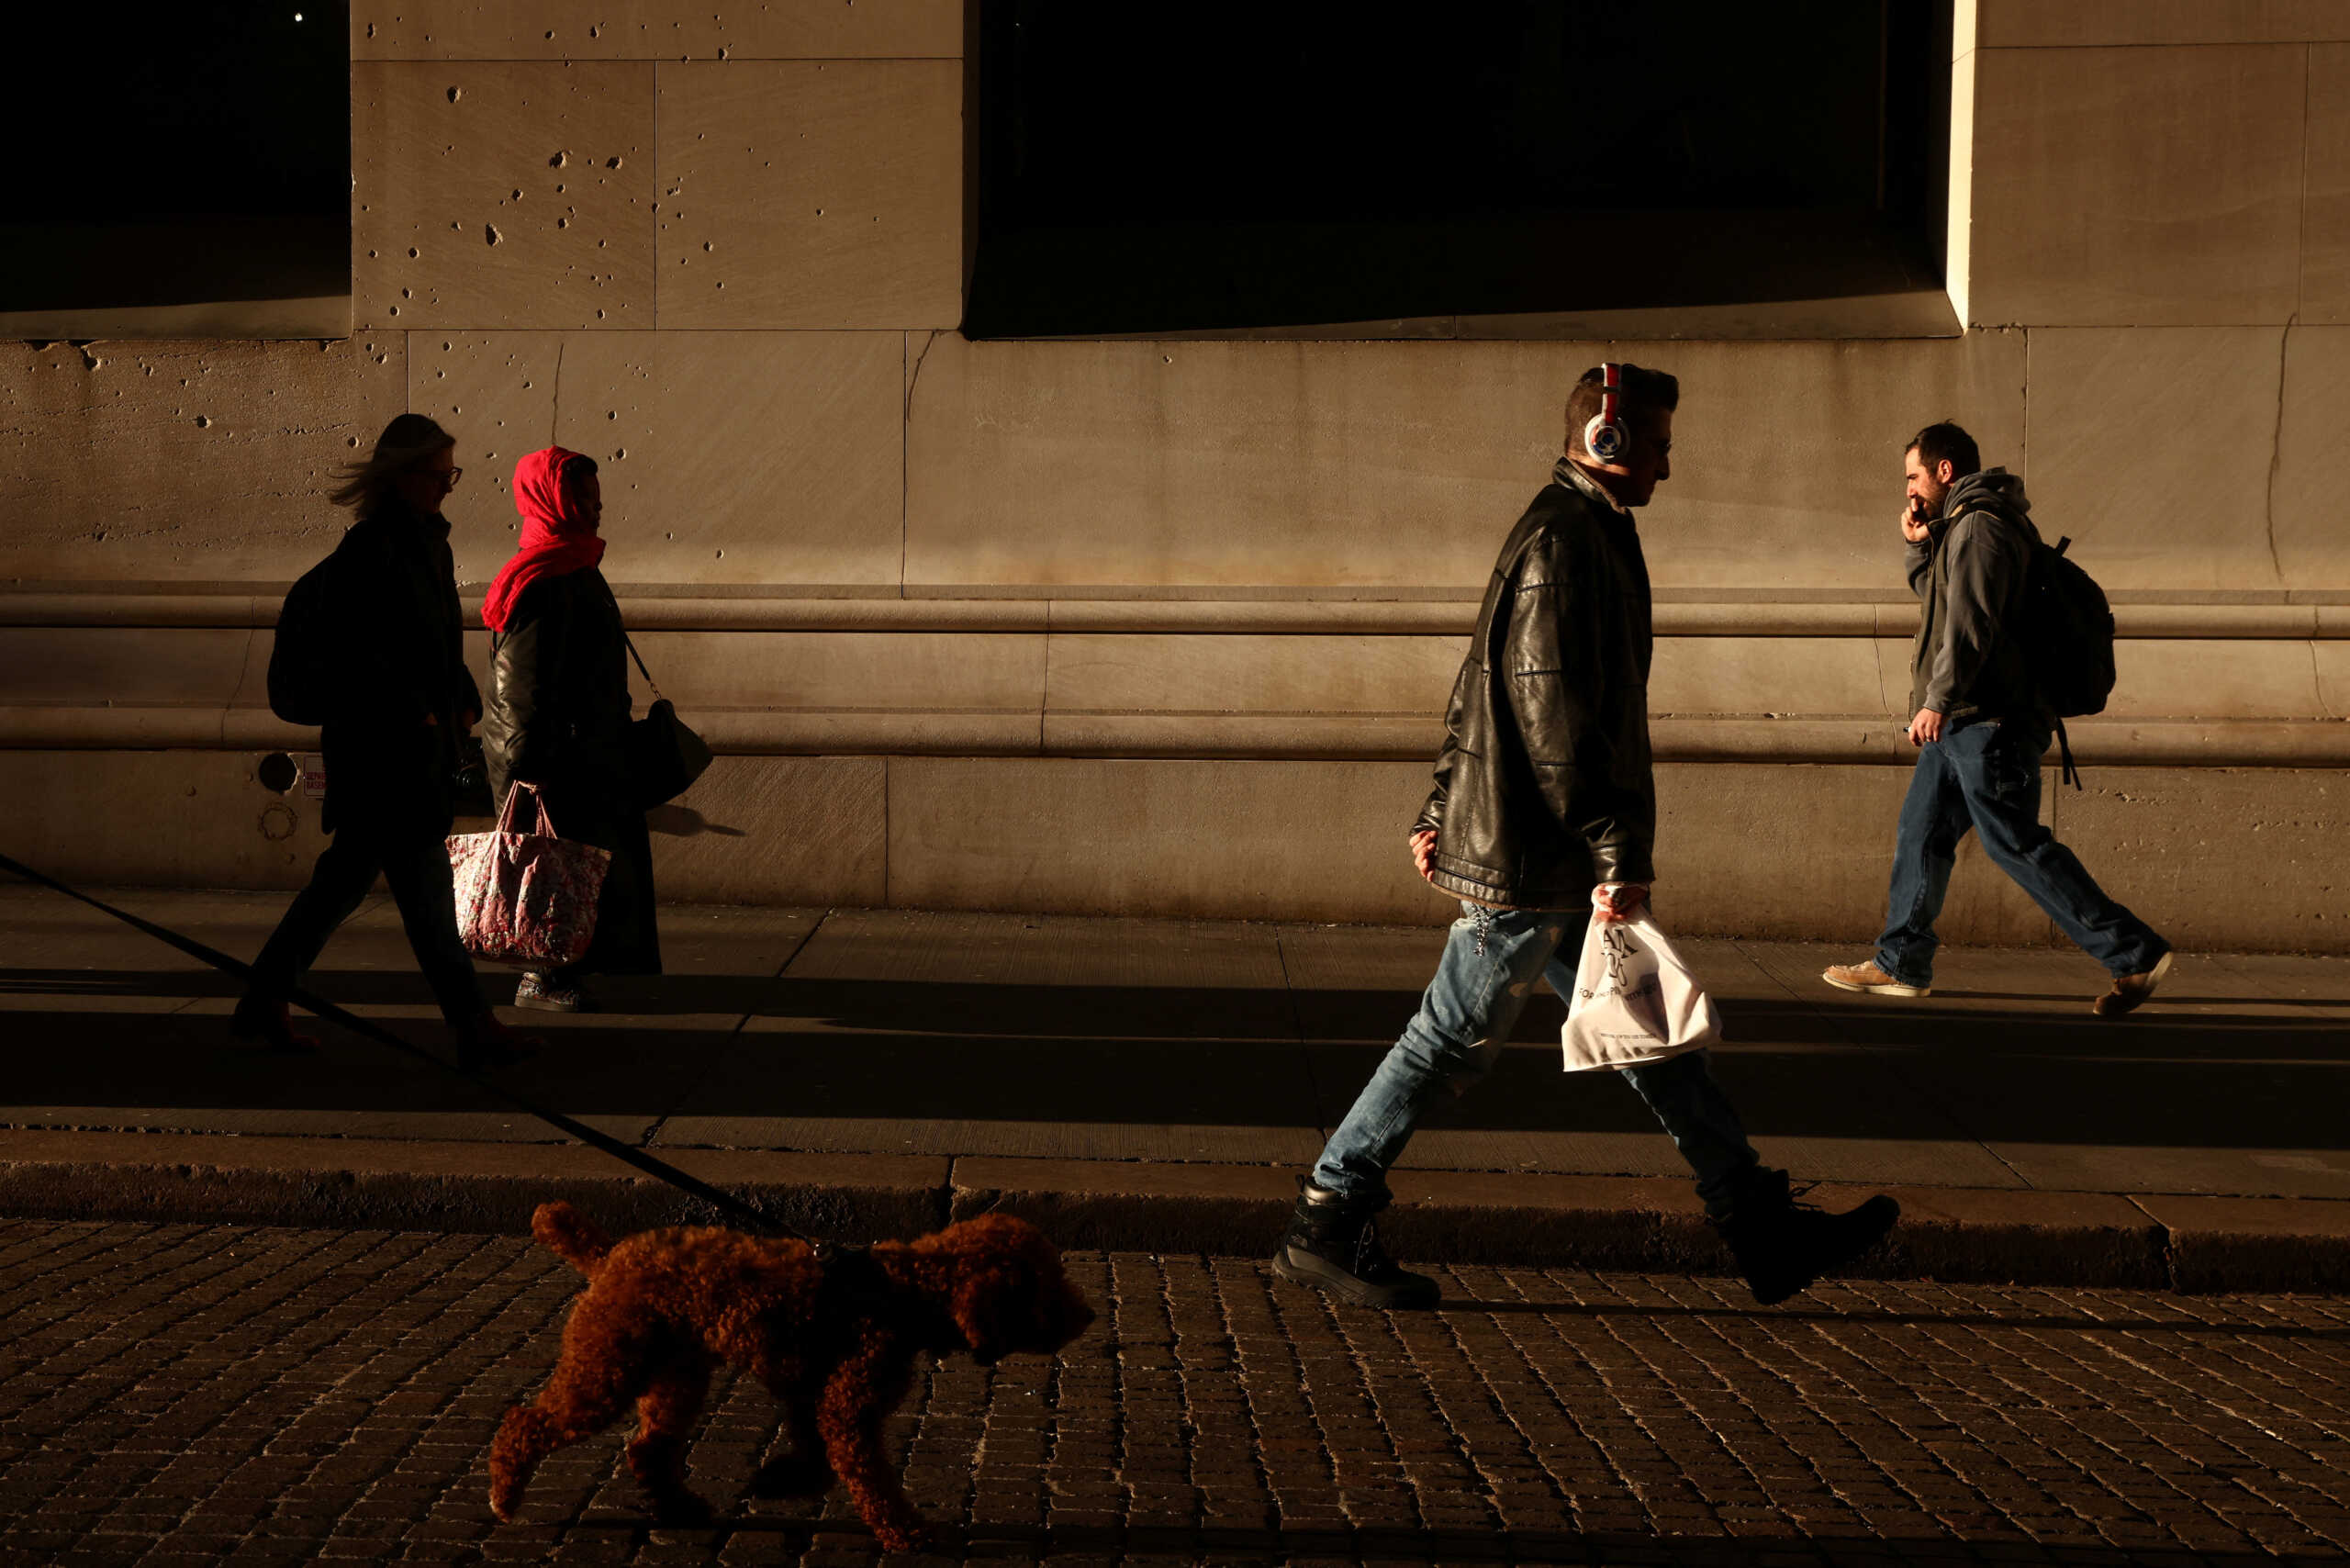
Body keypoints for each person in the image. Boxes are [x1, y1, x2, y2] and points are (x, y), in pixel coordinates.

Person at [1273, 364, 1900, 1312]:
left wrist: (1442, 803)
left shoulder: (1581, 529)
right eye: (1655, 445)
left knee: (1649, 1033)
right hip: (1538, 857)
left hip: (1547, 848)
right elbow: (1552, 714)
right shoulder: (1567, 540)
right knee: (1447, 1041)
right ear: (1604, 441)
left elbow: (1481, 677)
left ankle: (1758, 1226)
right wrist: (1614, 851)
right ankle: (1326, 1213)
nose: (1666, 466)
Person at [1822, 423, 2173, 1015]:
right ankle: (1900, 961)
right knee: (1922, 834)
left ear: (1944, 471)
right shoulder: (1961, 528)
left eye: (1913, 475)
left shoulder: (1981, 527)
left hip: (1987, 719)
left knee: (2015, 842)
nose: (1908, 488)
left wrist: (1937, 699)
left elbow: (1971, 625)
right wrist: (1918, 544)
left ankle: (2133, 950)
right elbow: (1939, 600)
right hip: (1966, 719)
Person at [231, 414, 537, 1070]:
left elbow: (431, 642)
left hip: (407, 756)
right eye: (436, 475)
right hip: (384, 758)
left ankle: (264, 998)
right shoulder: (372, 553)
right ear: (400, 478)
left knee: (342, 888)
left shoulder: (429, 546)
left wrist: (457, 696)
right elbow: (364, 655)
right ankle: (474, 1026)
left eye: (450, 474)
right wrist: (415, 710)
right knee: (425, 899)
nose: (447, 488)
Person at [478, 447, 661, 1012]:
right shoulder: (537, 579)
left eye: (595, 493)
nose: (597, 505)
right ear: (550, 498)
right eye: (581, 495)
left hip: (588, 753)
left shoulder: (575, 565)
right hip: (556, 760)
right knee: (553, 872)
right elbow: (519, 689)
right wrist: (524, 770)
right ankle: (542, 977)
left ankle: (564, 968)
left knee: (584, 871)